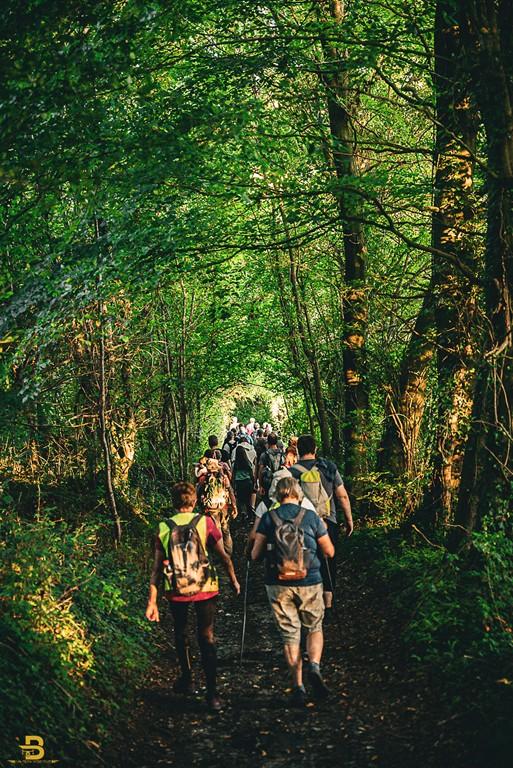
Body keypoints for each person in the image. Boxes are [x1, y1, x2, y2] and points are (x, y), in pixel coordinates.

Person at [146, 481, 240, 711]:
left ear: (173, 502)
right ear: (195, 501)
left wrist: (152, 601)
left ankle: (187, 678)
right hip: (205, 587)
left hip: (175, 589)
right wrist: (234, 579)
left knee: (180, 632)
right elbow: (224, 555)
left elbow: (157, 569)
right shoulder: (205, 523)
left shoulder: (164, 527)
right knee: (206, 636)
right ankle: (212, 694)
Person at [251, 477, 334, 707]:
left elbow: (255, 554)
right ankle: (314, 666)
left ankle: (297, 686)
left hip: (277, 584)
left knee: (290, 634)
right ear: (299, 494)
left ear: (278, 495)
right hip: (310, 581)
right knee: (314, 627)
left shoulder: (269, 518)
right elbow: (329, 551)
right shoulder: (310, 517)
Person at [289, 434, 353, 615]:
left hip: (301, 524)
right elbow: (342, 496)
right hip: (328, 521)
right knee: (328, 561)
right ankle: (328, 602)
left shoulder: (292, 472)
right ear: (315, 449)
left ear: (298, 450)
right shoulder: (329, 468)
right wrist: (349, 520)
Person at [197, 457, 237, 555]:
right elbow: (230, 491)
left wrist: (200, 506)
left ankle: (220, 555)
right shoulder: (224, 478)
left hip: (210, 510)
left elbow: (198, 493)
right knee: (226, 530)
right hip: (223, 508)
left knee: (217, 533)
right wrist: (234, 506)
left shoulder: (203, 479)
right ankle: (228, 553)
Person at [232, 444, 256, 520]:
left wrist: (233, 485)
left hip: (239, 483)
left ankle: (243, 513)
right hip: (247, 483)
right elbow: (251, 473)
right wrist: (253, 482)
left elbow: (233, 475)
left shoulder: (236, 464)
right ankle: (250, 515)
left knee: (241, 500)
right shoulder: (247, 462)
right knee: (248, 500)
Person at [258, 432, 284, 497]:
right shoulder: (282, 454)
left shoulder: (264, 454)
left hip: (268, 482)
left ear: (268, 442)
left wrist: (260, 485)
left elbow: (260, 470)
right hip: (279, 480)